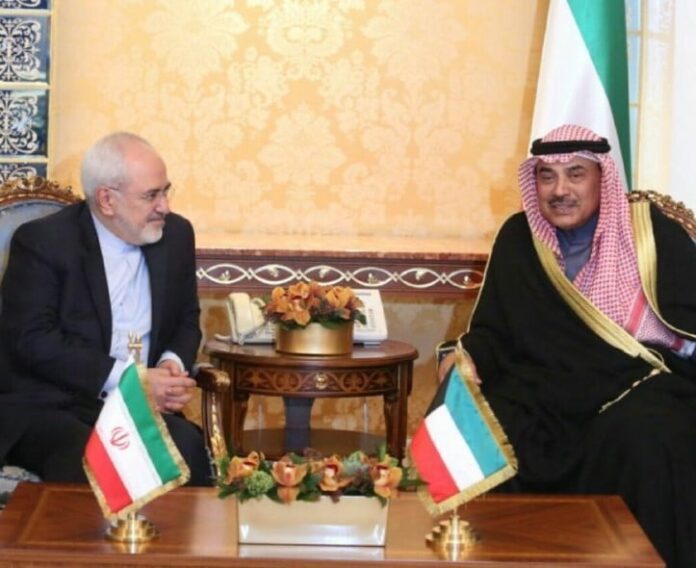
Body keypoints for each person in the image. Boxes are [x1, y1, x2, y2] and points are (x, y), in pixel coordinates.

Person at [439, 124, 696, 568]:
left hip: (636, 384)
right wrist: (464, 356)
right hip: (543, 387)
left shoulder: (652, 234)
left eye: (575, 174)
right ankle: (479, 554)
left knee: (644, 432)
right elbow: (495, 331)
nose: (560, 190)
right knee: (471, 414)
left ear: (602, 178)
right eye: (547, 176)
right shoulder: (520, 238)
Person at [0, 132, 211, 486]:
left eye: (165, 191)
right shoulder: (44, 241)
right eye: (150, 195)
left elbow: (187, 319)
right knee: (93, 460)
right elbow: (33, 340)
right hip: (52, 403)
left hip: (136, 407)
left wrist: (170, 367)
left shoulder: (176, 235)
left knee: (188, 449)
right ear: (107, 200)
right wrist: (129, 382)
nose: (164, 206)